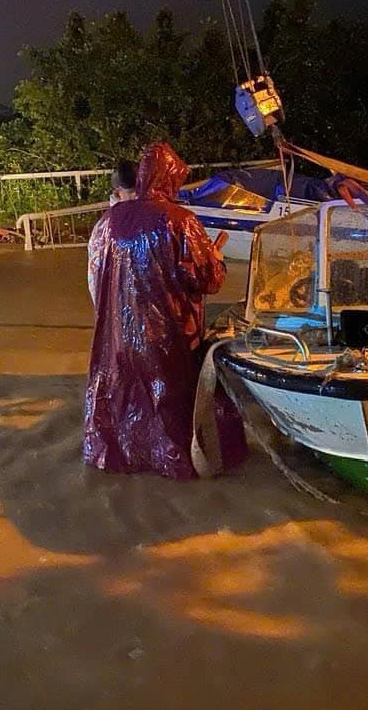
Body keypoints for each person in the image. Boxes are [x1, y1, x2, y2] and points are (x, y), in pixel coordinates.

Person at [84, 141, 246, 478]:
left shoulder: (106, 223)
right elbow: (208, 280)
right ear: (170, 179)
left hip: (117, 340)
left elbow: (96, 280)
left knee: (123, 400)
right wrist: (215, 260)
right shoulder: (181, 220)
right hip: (168, 338)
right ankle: (178, 465)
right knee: (174, 405)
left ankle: (123, 459)